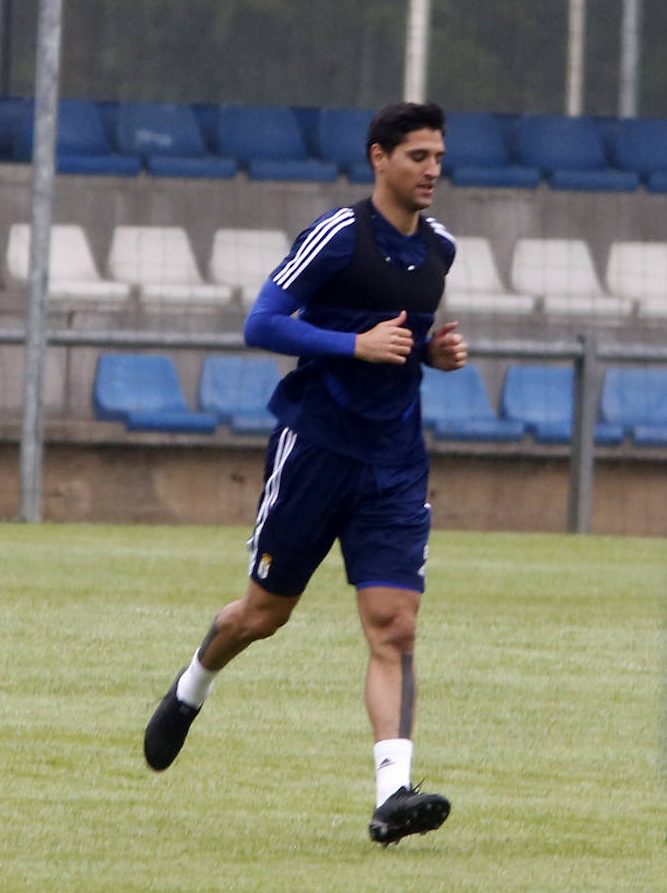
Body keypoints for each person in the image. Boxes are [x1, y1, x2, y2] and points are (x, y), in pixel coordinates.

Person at [142, 102, 467, 845]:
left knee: (395, 626)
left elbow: (404, 339)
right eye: (418, 156)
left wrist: (432, 354)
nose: (432, 171)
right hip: (316, 448)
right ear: (379, 157)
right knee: (263, 615)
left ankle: (392, 796)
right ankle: (193, 685)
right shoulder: (339, 234)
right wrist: (353, 345)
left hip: (394, 462)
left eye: (439, 158)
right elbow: (262, 322)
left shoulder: (440, 249)